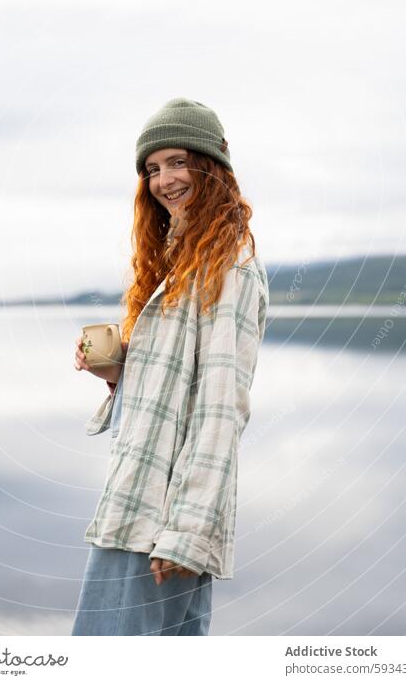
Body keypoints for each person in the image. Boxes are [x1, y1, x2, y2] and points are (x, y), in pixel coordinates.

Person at [71, 97, 269, 636]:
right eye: (153, 169)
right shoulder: (180, 262)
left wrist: (188, 531)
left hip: (160, 520)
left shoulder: (230, 268)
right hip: (142, 506)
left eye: (178, 162)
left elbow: (221, 408)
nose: (164, 179)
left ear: (211, 167)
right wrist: (115, 376)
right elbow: (169, 397)